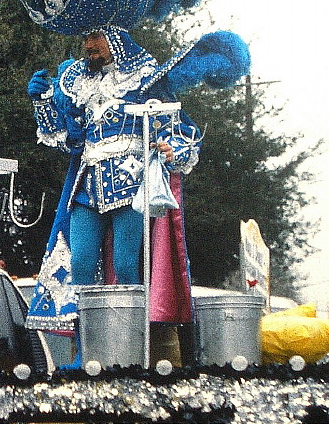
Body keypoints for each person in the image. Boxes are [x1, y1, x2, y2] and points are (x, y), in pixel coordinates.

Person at [25, 25, 202, 363]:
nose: (89, 45)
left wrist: (170, 148)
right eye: (86, 37)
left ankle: (133, 348)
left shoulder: (146, 77)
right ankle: (86, 349)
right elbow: (66, 138)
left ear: (116, 39)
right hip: (88, 185)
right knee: (79, 264)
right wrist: (44, 102)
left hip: (131, 183)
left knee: (125, 266)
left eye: (96, 37)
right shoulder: (79, 82)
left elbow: (183, 131)